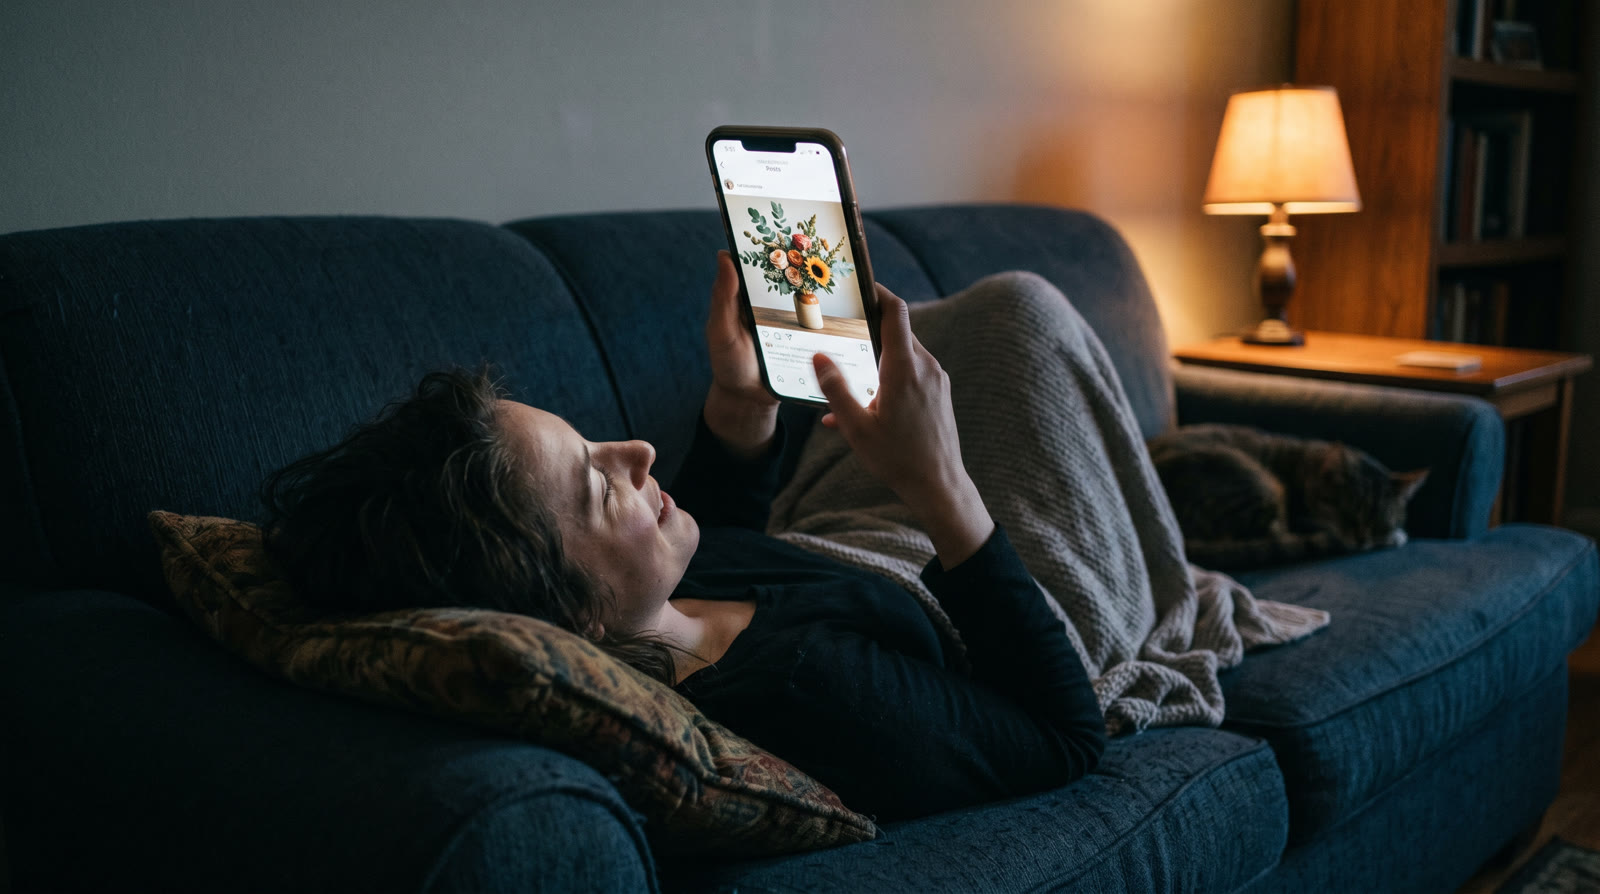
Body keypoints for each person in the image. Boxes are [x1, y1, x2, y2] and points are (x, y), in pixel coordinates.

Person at [259, 252, 1107, 822]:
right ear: (574, 617)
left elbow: (724, 542)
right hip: (996, 586)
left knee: (975, 326)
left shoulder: (645, 606)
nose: (638, 450)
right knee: (1021, 317)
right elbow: (1063, 741)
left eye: (591, 439)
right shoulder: (813, 692)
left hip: (855, 534)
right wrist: (939, 481)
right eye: (599, 485)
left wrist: (743, 404)